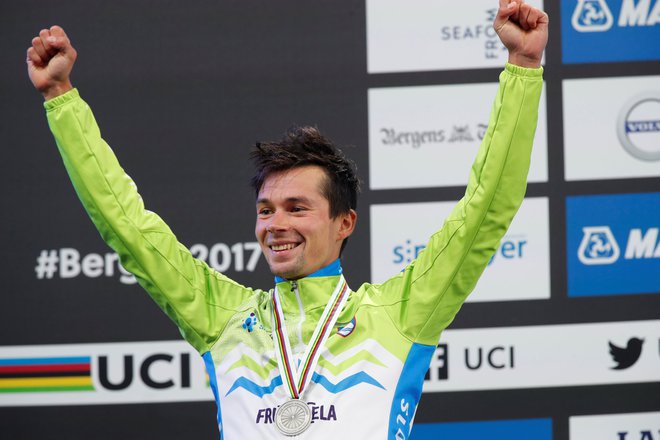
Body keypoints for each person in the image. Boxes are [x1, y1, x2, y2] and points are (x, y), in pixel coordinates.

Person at [27, 0, 548, 438]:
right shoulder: (222, 318)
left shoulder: (399, 313)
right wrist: (60, 97)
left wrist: (523, 68)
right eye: (265, 210)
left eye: (298, 208)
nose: (276, 224)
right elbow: (125, 224)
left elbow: (488, 205)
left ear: (345, 223)